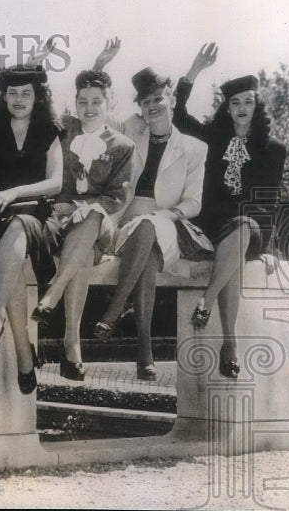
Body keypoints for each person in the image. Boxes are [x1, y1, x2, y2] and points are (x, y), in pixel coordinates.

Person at [172, 43, 286, 378]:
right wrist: (193, 71)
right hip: (214, 223)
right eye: (235, 102)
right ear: (227, 108)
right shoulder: (212, 138)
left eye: (247, 102)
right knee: (232, 255)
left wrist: (267, 248)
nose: (241, 108)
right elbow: (179, 116)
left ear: (256, 106)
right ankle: (229, 344)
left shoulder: (273, 149)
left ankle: (206, 301)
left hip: (252, 224)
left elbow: (269, 201)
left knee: (242, 227)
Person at [93, 68, 208, 380]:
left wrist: (165, 216)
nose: (153, 106)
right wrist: (102, 68)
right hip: (125, 217)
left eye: (158, 98)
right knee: (147, 249)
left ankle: (114, 311)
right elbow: (99, 115)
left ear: (170, 98)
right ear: (139, 108)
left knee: (149, 227)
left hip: (167, 220)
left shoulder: (196, 148)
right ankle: (144, 350)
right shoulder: (132, 129)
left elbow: (194, 202)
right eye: (146, 102)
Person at [29, 64, 134, 381]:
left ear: (108, 102)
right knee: (82, 256)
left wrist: (84, 206)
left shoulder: (122, 146)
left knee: (91, 217)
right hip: (61, 223)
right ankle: (71, 346)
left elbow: (118, 197)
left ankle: (52, 294)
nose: (89, 109)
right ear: (75, 103)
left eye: (96, 101)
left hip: (97, 223)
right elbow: (38, 108)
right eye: (83, 101)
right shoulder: (64, 129)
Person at [0, 63, 64, 395]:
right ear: (3, 96)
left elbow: (55, 183)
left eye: (27, 93)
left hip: (38, 215)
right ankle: (25, 353)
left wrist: (13, 192)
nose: (19, 99)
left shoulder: (49, 130)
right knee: (10, 249)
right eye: (12, 93)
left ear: (38, 96)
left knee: (18, 227)